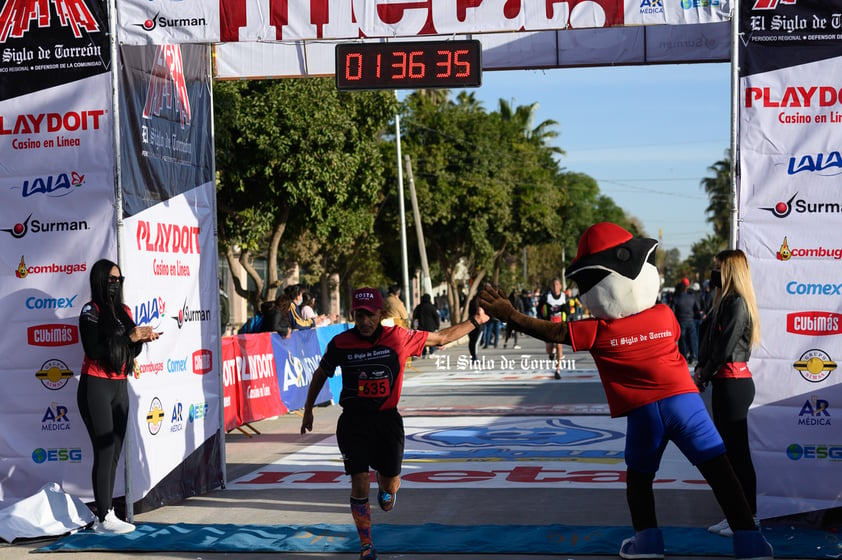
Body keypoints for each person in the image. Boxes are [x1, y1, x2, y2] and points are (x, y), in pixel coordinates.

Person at [479, 223, 772, 560]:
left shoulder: (597, 330)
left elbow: (551, 330)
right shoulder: (664, 316)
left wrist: (510, 315)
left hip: (645, 412)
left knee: (640, 480)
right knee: (721, 473)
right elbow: (674, 335)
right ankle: (749, 543)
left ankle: (647, 543)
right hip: (686, 403)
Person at [300, 287, 489, 560]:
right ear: (353, 314)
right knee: (359, 481)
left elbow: (441, 337)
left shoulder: (399, 338)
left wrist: (476, 321)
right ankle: (366, 545)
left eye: (370, 316)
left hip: (387, 422)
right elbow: (321, 373)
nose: (365, 322)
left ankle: (386, 484)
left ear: (381, 315)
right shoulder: (341, 343)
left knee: (390, 486)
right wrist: (308, 409)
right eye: (359, 315)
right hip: (353, 422)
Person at [78, 259, 161, 534]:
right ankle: (103, 516)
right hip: (96, 385)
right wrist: (129, 338)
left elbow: (129, 352)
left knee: (113, 453)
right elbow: (94, 350)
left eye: (119, 279)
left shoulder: (124, 311)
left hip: (119, 387)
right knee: (103, 451)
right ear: (101, 280)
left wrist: (139, 340)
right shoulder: (91, 311)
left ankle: (108, 513)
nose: (116, 283)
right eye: (111, 279)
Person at [694, 250, 762, 538]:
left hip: (734, 384)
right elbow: (710, 342)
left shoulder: (737, 303)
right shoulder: (724, 301)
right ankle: (737, 514)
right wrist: (703, 370)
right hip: (724, 383)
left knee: (737, 454)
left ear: (729, 270)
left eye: (716, 267)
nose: (712, 272)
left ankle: (749, 516)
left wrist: (703, 374)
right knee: (730, 454)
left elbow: (724, 348)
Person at [538, 277, 566, 378]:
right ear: (550, 286)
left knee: (559, 346)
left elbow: (569, 311)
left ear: (560, 286)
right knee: (549, 348)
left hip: (560, 325)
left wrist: (567, 316)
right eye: (553, 285)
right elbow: (538, 309)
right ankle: (551, 353)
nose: (555, 287)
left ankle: (557, 370)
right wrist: (541, 320)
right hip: (549, 325)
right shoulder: (546, 296)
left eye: (557, 285)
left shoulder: (564, 297)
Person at [671, 278, 700, 365]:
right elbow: (697, 309)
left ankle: (684, 356)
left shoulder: (676, 298)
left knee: (682, 340)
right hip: (690, 320)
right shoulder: (691, 297)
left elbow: (672, 311)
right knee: (692, 340)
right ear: (686, 288)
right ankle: (694, 356)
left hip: (681, 321)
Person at [411, 293, 440, 358]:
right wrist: (437, 326)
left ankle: (423, 353)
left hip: (421, 326)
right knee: (432, 340)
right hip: (430, 326)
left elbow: (415, 316)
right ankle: (431, 353)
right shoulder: (431, 307)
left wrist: (414, 325)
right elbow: (436, 317)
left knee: (423, 340)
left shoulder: (419, 307)